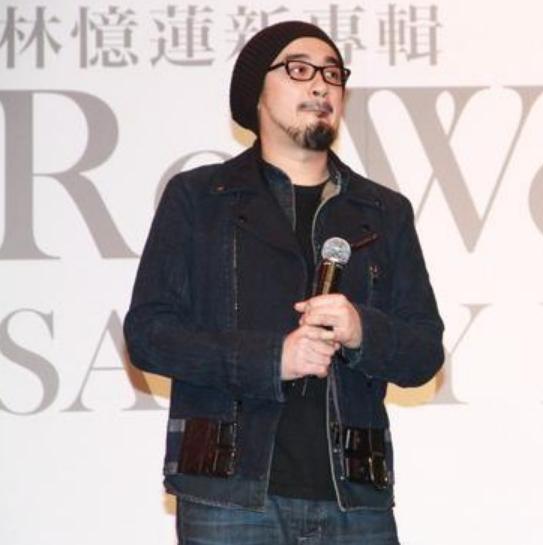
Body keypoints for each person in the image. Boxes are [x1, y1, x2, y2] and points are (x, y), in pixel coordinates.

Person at [124, 21, 444, 544]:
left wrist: (363, 330)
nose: (320, 86)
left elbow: (425, 351)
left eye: (333, 74)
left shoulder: (383, 211)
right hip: (226, 497)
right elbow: (149, 335)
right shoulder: (200, 198)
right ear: (256, 91)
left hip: (355, 501)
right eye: (299, 70)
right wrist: (272, 359)